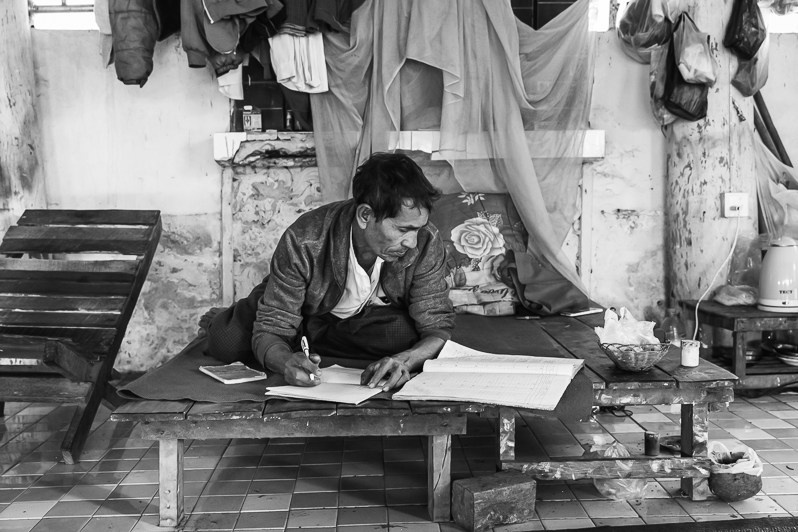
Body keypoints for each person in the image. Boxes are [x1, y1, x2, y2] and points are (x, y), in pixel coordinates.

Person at [202, 152, 455, 391]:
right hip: (298, 306)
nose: (412, 242)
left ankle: (310, 339)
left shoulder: (425, 241)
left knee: (406, 337)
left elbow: (436, 326)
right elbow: (273, 327)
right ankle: (229, 316)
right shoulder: (303, 240)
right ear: (365, 215)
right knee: (227, 342)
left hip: (363, 317)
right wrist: (284, 362)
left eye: (417, 229)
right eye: (402, 230)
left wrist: (406, 359)